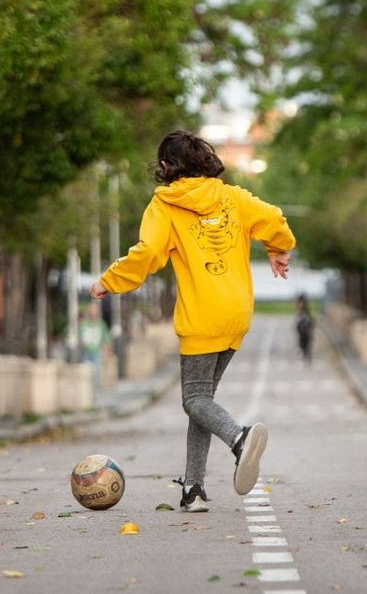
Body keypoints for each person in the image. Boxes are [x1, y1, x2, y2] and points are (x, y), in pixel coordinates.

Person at [90, 130, 295, 512]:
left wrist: (110, 280)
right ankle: (194, 489)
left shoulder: (165, 204)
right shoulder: (233, 196)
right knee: (204, 400)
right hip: (237, 311)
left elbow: (148, 251)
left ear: (165, 167)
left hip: (202, 314)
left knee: (194, 399)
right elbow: (272, 218)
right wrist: (278, 248)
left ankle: (238, 438)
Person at [79, 302, 112, 392]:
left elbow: (106, 339)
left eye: (95, 311)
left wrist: (108, 351)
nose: (93, 313)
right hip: (86, 352)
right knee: (87, 374)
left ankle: (96, 392)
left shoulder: (101, 324)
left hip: (97, 352)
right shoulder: (84, 324)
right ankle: (88, 392)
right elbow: (79, 337)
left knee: (97, 373)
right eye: (91, 311)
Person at [295, 294, 314, 365]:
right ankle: (304, 355)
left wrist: (310, 327)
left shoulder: (306, 311)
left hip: (305, 329)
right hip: (301, 329)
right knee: (302, 343)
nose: (301, 304)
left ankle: (307, 356)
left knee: (307, 343)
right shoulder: (299, 311)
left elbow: (310, 320)